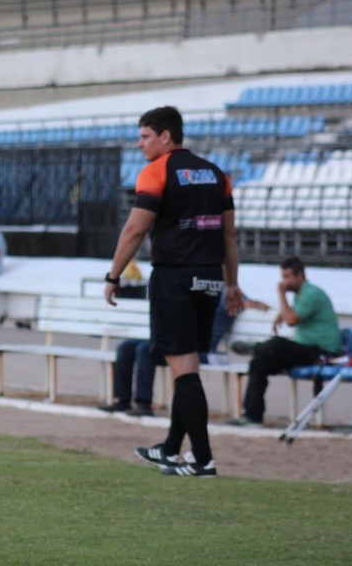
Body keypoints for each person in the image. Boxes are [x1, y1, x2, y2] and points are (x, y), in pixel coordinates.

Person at [104, 106, 243, 478]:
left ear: (165, 136)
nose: (140, 145)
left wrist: (113, 275)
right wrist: (231, 284)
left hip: (175, 278)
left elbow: (134, 229)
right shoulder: (217, 175)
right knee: (188, 367)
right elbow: (229, 236)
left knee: (184, 372)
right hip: (210, 279)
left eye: (145, 136)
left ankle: (202, 458)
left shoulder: (156, 171)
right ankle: (169, 448)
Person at [99, 294, 269, 417]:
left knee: (145, 350)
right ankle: (121, 400)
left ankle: (143, 404)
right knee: (125, 348)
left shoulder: (224, 291)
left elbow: (242, 300)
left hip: (196, 348)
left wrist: (249, 303)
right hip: (171, 339)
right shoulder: (190, 283)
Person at [226, 256, 342, 427]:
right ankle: (252, 416)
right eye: (282, 278)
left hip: (321, 352)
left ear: (300, 276)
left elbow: (291, 320)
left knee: (278, 344)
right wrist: (283, 312)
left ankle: (255, 347)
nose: (283, 282)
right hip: (304, 350)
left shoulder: (312, 293)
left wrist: (281, 294)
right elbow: (293, 314)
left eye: (287, 277)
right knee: (258, 363)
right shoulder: (300, 295)